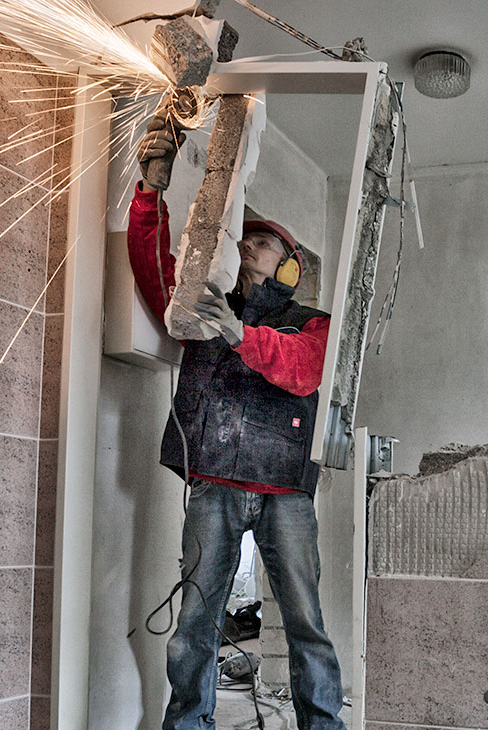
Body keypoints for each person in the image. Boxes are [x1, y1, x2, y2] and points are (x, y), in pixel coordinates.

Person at [129, 112, 345, 730]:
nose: (247, 244)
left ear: (289, 264)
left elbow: (303, 373)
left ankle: (323, 725)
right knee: (196, 622)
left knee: (305, 623)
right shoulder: (202, 303)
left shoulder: (312, 321)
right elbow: (152, 266)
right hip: (216, 482)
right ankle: (188, 724)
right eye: (242, 238)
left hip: (284, 492)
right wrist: (152, 189)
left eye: (263, 242)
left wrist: (240, 334)